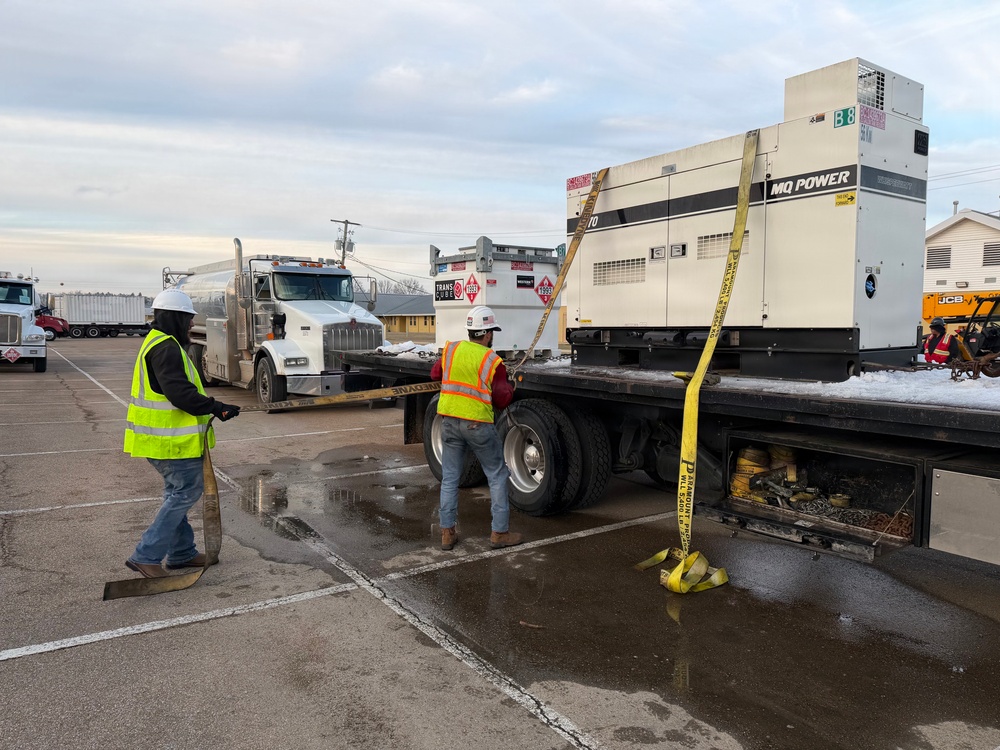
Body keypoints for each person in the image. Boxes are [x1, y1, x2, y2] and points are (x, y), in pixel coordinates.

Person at [122, 289, 242, 578]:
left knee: (176, 494)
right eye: (188, 319)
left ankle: (181, 553)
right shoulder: (166, 348)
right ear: (176, 318)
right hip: (170, 441)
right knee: (184, 493)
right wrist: (216, 407)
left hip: (164, 440)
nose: (191, 325)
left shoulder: (160, 342)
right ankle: (146, 556)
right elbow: (180, 394)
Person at [430, 305, 521, 551]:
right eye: (492, 332)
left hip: (449, 421)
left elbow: (434, 374)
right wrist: (510, 387)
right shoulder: (493, 361)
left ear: (470, 330)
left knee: (450, 478)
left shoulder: (452, 349)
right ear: (488, 333)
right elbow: (501, 399)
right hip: (477, 424)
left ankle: (447, 533)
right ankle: (499, 533)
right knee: (497, 474)